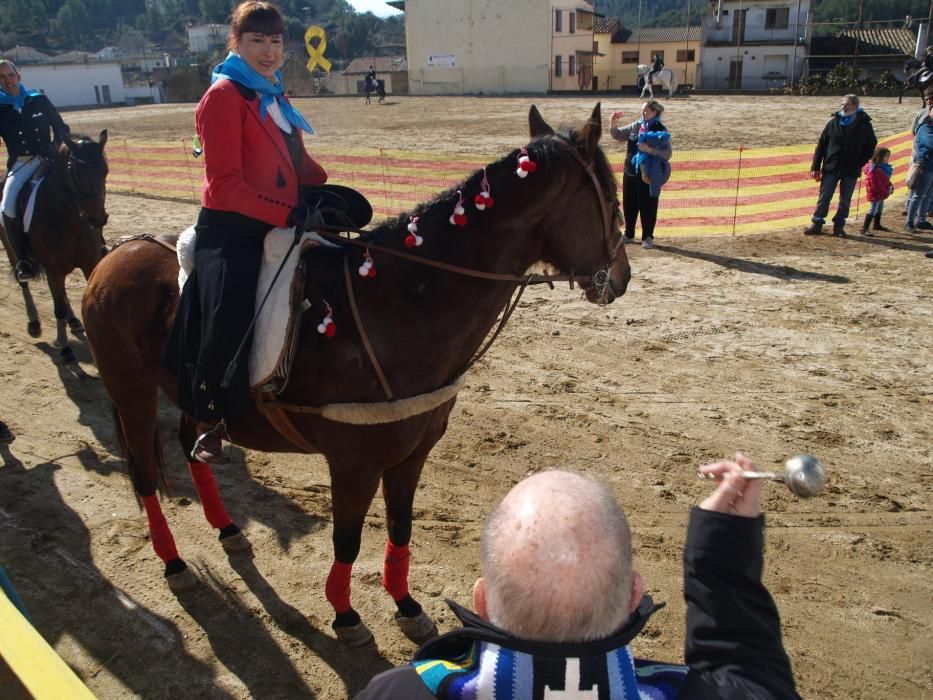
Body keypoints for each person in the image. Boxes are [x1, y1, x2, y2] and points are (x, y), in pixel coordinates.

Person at [357, 456, 800, 699]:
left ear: (483, 602)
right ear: (633, 597)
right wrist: (721, 551)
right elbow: (752, 672)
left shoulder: (399, 693)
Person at [164, 0, 328, 464]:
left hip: (282, 211)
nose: (269, 50)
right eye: (257, 40)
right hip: (231, 226)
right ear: (235, 43)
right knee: (231, 305)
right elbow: (226, 185)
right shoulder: (222, 97)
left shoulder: (274, 94)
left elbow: (298, 162)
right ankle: (211, 415)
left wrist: (325, 189)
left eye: (276, 41)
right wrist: (286, 211)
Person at [0, 60, 70, 282]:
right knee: (7, 207)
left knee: (80, 189)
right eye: (2, 78)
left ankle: (96, 243)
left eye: (10, 75)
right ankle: (23, 261)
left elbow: (61, 128)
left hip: (49, 159)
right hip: (21, 164)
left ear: (18, 76)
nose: (8, 80)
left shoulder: (38, 100)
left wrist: (56, 144)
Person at [804, 95, 877, 238]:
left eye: (847, 104)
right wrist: (815, 166)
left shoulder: (865, 124)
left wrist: (860, 162)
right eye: (843, 104)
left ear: (855, 106)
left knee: (845, 199)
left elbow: (871, 146)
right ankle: (817, 223)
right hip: (832, 166)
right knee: (824, 196)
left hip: (851, 169)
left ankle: (839, 226)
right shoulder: (833, 122)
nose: (844, 107)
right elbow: (821, 145)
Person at [610, 100, 672, 249]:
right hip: (629, 172)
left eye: (646, 111)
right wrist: (612, 121)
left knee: (648, 206)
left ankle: (648, 237)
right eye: (642, 111)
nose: (643, 113)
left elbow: (667, 154)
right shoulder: (635, 126)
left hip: (649, 174)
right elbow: (617, 134)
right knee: (629, 204)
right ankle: (629, 234)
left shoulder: (660, 130)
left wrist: (650, 150)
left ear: (654, 112)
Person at [906, 104, 933, 232]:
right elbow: (931, 144)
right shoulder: (925, 128)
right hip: (925, 165)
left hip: (930, 166)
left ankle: (921, 220)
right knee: (918, 195)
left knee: (928, 194)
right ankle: (909, 222)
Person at [861, 147, 893, 235]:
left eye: (888, 156)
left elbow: (885, 180)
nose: (887, 158)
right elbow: (876, 185)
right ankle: (864, 228)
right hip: (875, 194)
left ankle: (877, 224)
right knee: (873, 210)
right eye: (886, 156)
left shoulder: (882, 168)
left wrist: (890, 186)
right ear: (879, 157)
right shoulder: (874, 170)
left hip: (881, 193)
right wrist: (885, 192)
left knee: (879, 209)